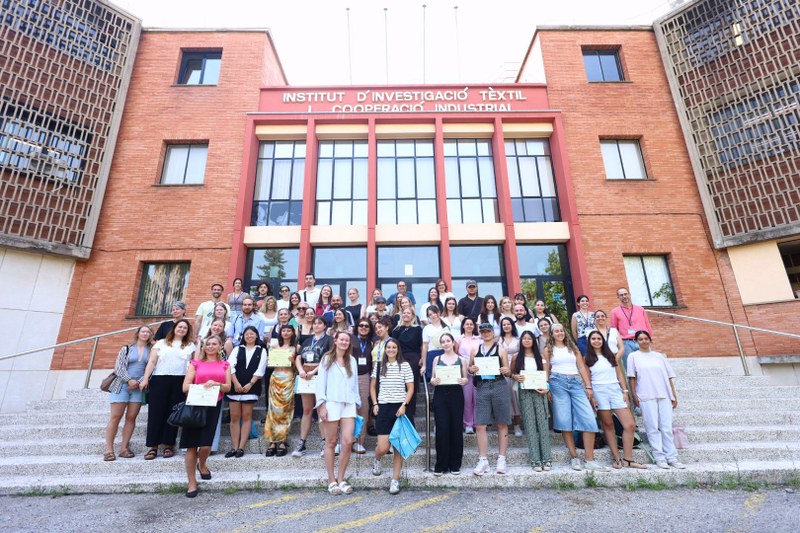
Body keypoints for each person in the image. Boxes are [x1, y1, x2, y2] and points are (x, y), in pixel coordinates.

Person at [544, 323, 606, 471]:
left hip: (576, 383)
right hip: (557, 382)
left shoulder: (573, 348)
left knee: (589, 419)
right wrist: (547, 387)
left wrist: (588, 385)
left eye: (561, 331)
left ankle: (589, 460)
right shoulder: (548, 349)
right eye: (556, 331)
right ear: (552, 334)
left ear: (565, 332)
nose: (559, 333)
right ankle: (574, 457)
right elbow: (546, 369)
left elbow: (581, 367)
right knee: (565, 420)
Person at [585, 331, 646, 470]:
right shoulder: (587, 358)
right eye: (593, 339)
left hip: (615, 390)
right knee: (608, 425)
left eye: (598, 338)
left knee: (630, 425)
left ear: (603, 340)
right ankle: (617, 458)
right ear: (590, 341)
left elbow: (619, 374)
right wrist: (592, 397)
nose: (596, 341)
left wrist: (625, 391)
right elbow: (587, 379)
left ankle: (628, 459)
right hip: (599, 391)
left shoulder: (610, 355)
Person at [180, 335, 231, 498]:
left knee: (206, 446)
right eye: (207, 344)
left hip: (213, 406)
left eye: (214, 344)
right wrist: (200, 386)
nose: (210, 346)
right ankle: (191, 482)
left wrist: (217, 384)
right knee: (191, 446)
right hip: (195, 405)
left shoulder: (225, 364)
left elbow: (228, 387)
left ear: (220, 346)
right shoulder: (195, 363)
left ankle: (202, 464)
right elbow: (185, 386)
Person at [627, 330, 685, 469]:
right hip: (646, 396)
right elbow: (632, 378)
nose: (644, 341)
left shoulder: (659, 357)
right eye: (640, 339)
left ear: (650, 340)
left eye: (646, 338)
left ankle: (672, 457)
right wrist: (634, 395)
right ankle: (659, 457)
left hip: (664, 395)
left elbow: (669, 377)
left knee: (666, 427)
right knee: (652, 428)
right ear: (636, 341)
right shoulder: (633, 356)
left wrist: (673, 396)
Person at [140, 319, 195, 460]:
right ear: (174, 328)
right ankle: (153, 446)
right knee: (156, 413)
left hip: (179, 380)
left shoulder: (190, 346)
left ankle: (168, 445)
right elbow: (152, 361)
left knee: (173, 413)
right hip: (159, 379)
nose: (182, 329)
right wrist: (146, 378)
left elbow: (193, 366)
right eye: (180, 327)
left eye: (185, 328)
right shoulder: (161, 343)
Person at [316, 331, 361, 495]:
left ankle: (341, 478)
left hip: (349, 403)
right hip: (331, 403)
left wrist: (357, 403)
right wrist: (322, 405)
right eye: (341, 339)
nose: (344, 342)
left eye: (347, 340)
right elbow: (320, 383)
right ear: (335, 341)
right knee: (331, 442)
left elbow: (355, 384)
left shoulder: (352, 360)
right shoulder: (326, 359)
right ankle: (331, 479)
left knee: (348, 441)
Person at [370, 338, 414, 495]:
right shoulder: (379, 366)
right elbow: (373, 386)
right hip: (383, 407)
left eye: (394, 347)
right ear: (385, 349)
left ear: (398, 349)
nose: (391, 350)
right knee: (383, 447)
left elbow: (410, 388)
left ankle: (395, 480)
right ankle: (377, 459)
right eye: (388, 347)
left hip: (399, 409)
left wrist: (404, 405)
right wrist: (375, 404)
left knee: (398, 448)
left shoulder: (405, 365)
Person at [103, 325, 152, 461]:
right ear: (138, 333)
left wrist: (140, 382)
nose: (145, 333)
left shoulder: (151, 350)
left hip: (138, 389)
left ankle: (124, 448)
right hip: (121, 386)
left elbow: (151, 368)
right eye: (143, 331)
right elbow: (119, 367)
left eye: (148, 332)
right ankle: (108, 450)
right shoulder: (126, 349)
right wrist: (129, 380)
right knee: (116, 416)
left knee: (131, 418)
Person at [468, 322, 511, 475]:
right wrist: (471, 368)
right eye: (483, 331)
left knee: (502, 423)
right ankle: (483, 459)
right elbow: (470, 367)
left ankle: (502, 458)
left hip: (498, 384)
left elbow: (508, 372)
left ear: (493, 332)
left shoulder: (501, 349)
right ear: (480, 333)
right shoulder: (475, 348)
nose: (486, 333)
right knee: (480, 424)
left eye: (488, 331)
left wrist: (507, 370)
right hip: (482, 386)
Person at [292, 316, 333, 457]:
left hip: (320, 376)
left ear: (325, 326)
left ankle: (325, 442)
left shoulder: (329, 340)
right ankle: (302, 443)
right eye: (314, 323)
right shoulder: (307, 340)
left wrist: (315, 371)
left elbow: (329, 357)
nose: (316, 325)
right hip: (305, 377)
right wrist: (301, 370)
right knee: (307, 410)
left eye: (319, 323)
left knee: (321, 408)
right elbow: (298, 357)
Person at [511, 330, 552, 471]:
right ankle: (535, 460)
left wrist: (547, 388)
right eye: (524, 338)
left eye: (530, 338)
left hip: (540, 391)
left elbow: (546, 375)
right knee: (530, 425)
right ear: (521, 341)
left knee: (542, 424)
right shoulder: (517, 357)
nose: (527, 340)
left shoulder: (540, 356)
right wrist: (515, 377)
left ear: (534, 341)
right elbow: (512, 374)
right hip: (525, 392)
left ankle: (546, 459)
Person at [225, 326, 267, 458]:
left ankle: (241, 447)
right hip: (235, 386)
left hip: (251, 387)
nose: (249, 336)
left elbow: (261, 369)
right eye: (247, 334)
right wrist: (236, 383)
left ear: (256, 336)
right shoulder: (238, 349)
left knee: (247, 416)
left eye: (252, 334)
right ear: (243, 336)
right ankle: (234, 446)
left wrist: (250, 384)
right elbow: (230, 366)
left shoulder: (262, 350)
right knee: (234, 417)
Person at [430, 332, 468, 475]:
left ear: (453, 342)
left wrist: (464, 381)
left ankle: (455, 464)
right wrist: (433, 381)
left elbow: (465, 379)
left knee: (456, 428)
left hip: (456, 394)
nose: (445, 343)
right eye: (443, 341)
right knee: (442, 428)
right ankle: (441, 465)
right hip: (440, 395)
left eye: (448, 341)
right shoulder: (436, 359)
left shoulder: (461, 359)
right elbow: (432, 379)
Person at [264, 324, 297, 457]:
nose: (286, 332)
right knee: (273, 411)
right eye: (284, 330)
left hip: (288, 379)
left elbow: (296, 367)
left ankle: (282, 441)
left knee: (286, 412)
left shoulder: (296, 348)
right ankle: (272, 442)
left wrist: (293, 361)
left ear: (292, 332)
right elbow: (269, 364)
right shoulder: (274, 346)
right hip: (275, 378)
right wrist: (269, 358)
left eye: (289, 330)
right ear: (280, 332)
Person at [391, 308, 423, 420]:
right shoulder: (396, 330)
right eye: (404, 313)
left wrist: (422, 359)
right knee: (399, 383)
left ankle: (410, 409)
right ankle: (398, 407)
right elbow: (393, 345)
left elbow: (422, 345)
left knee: (411, 383)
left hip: (414, 357)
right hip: (400, 357)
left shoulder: (418, 329)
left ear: (413, 315)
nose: (406, 315)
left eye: (408, 313)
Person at [610, 287, 654, 369]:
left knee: (647, 366)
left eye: (625, 294)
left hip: (642, 341)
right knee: (630, 369)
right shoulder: (614, 312)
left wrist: (650, 339)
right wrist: (618, 345)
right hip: (626, 343)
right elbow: (614, 330)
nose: (624, 296)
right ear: (618, 297)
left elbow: (647, 325)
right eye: (621, 295)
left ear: (629, 295)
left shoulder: (640, 309)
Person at [351, 319, 374, 453]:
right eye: (361, 325)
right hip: (350, 376)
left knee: (363, 410)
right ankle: (346, 440)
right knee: (348, 409)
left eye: (366, 326)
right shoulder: (351, 338)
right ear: (357, 327)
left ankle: (359, 442)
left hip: (365, 376)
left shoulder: (371, 342)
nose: (364, 328)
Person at [498, 316, 523, 437]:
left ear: (512, 326)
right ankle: (506, 426)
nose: (506, 326)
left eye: (508, 324)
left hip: (513, 371)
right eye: (504, 324)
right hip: (501, 371)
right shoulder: (498, 340)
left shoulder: (518, 340)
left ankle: (517, 425)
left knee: (514, 399)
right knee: (504, 399)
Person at [457, 317, 480, 435]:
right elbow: (456, 354)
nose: (469, 326)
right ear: (463, 326)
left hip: (478, 370)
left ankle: (477, 423)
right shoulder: (459, 339)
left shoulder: (479, 339)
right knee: (467, 399)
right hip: (464, 371)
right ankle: (468, 424)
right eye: (467, 324)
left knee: (477, 398)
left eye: (471, 324)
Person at [421, 306, 448, 381]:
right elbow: (425, 346)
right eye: (430, 314)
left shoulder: (446, 327)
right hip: (432, 355)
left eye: (434, 313)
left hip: (445, 354)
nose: (433, 315)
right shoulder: (427, 328)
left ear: (438, 313)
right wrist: (424, 365)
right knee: (434, 380)